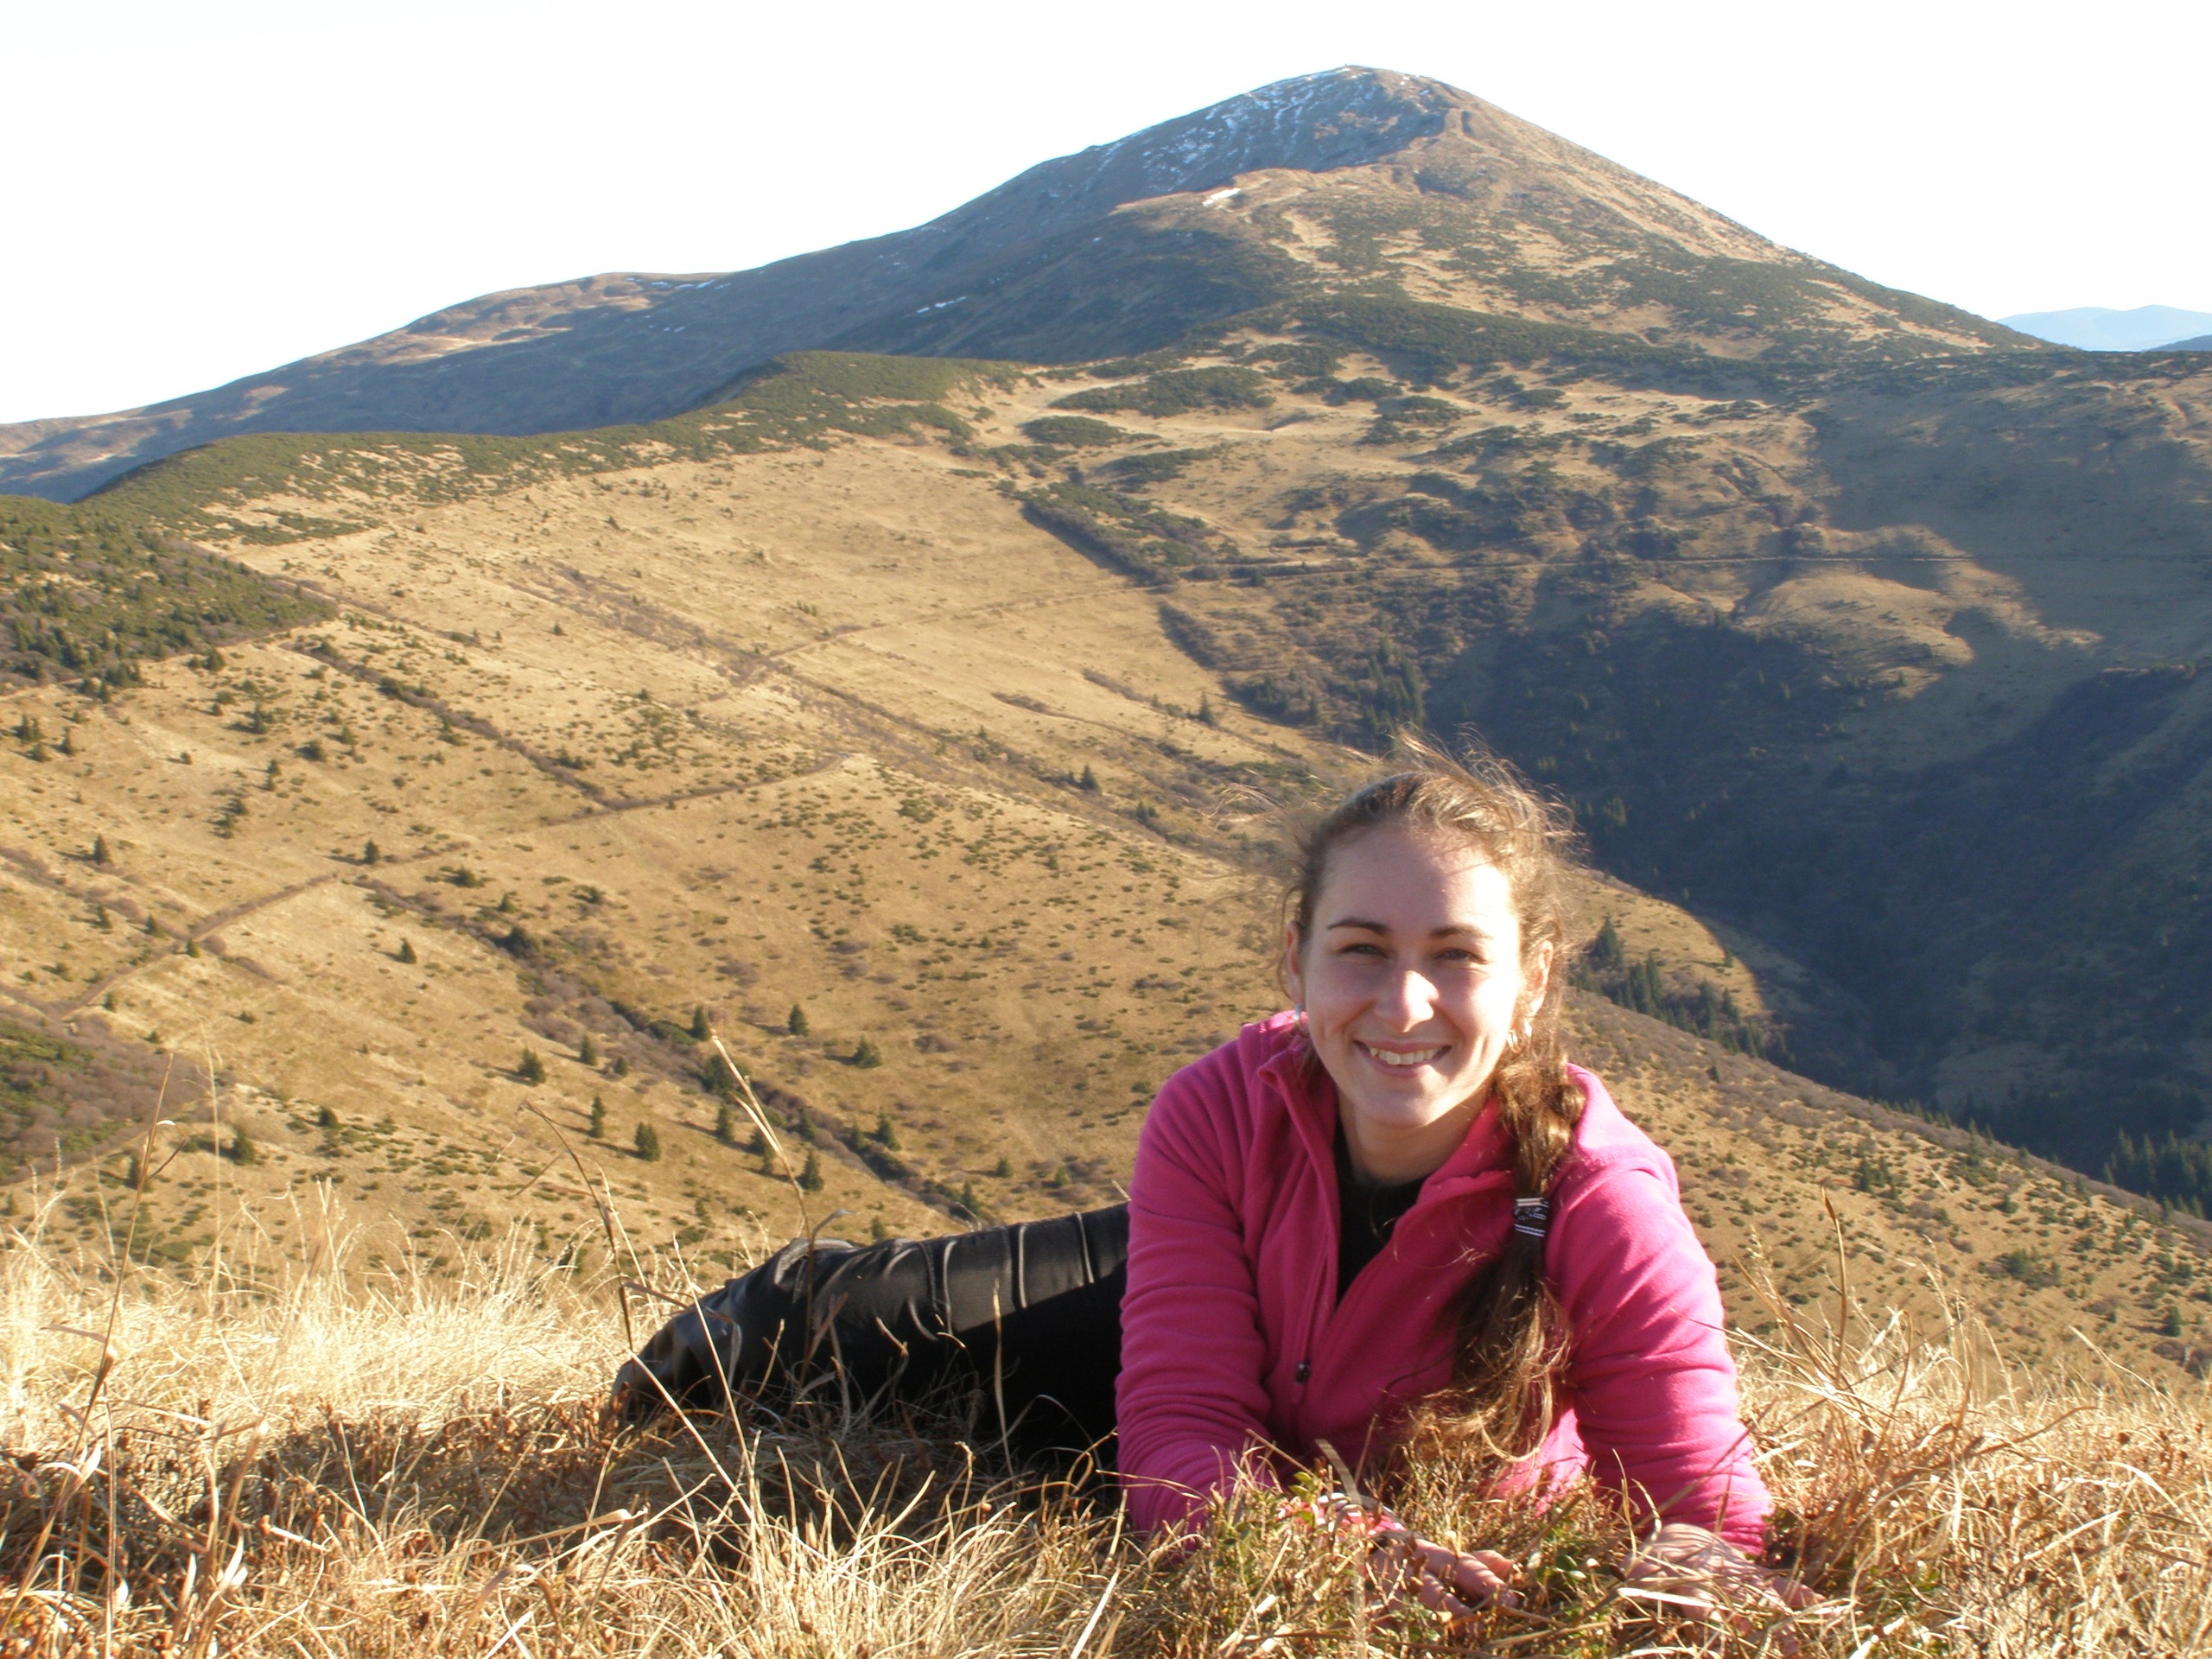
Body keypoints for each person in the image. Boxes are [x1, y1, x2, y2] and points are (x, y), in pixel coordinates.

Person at [614, 741, 1788, 1617]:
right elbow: (1180, 1424)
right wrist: (1343, 1548)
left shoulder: (1598, 1196)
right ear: (1296, 960)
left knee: (1036, 1445)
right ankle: (701, 1345)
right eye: (1362, 950)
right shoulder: (1223, 1109)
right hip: (1211, 1277)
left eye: (1456, 958)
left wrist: (1699, 1581)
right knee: (832, 1327)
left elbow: (1704, 1513)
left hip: (1284, 1414)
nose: (1404, 1004)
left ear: (1531, 982)